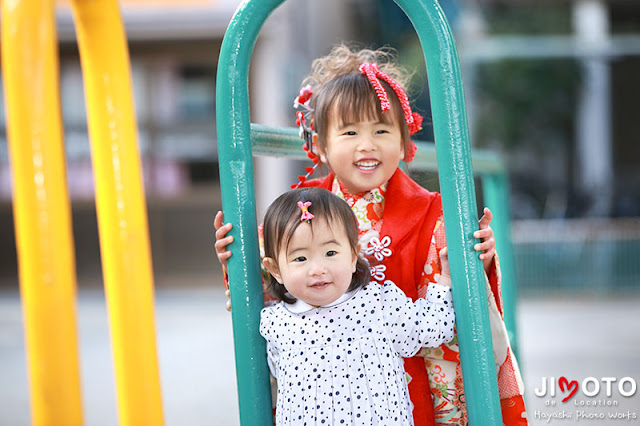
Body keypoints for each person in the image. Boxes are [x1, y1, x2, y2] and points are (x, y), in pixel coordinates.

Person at [215, 44, 527, 425]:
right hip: (322, 393)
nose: (367, 144)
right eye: (349, 132)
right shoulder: (299, 211)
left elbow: (454, 301)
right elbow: (267, 275)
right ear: (321, 146)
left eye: (382, 130)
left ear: (404, 141)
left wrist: (477, 254)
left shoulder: (436, 214)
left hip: (404, 384)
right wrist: (237, 259)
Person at [260, 187, 455, 425]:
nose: (318, 269)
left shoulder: (379, 303)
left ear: (353, 256)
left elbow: (433, 327)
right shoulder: (275, 322)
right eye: (300, 258)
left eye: (331, 252)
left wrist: (444, 282)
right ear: (276, 270)